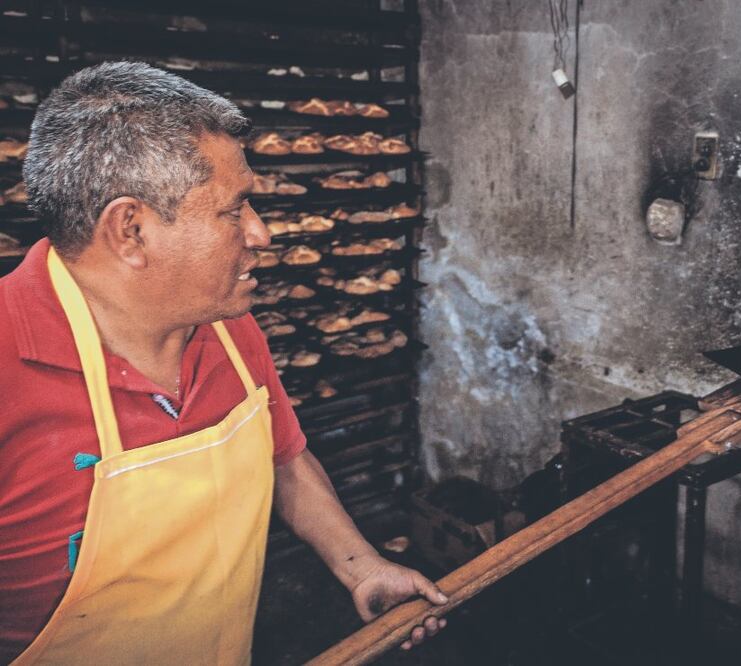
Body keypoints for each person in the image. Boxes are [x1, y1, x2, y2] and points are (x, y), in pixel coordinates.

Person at [0, 61, 446, 664]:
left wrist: (361, 565)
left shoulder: (229, 326)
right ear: (130, 229)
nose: (261, 234)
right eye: (234, 210)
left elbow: (282, 454)